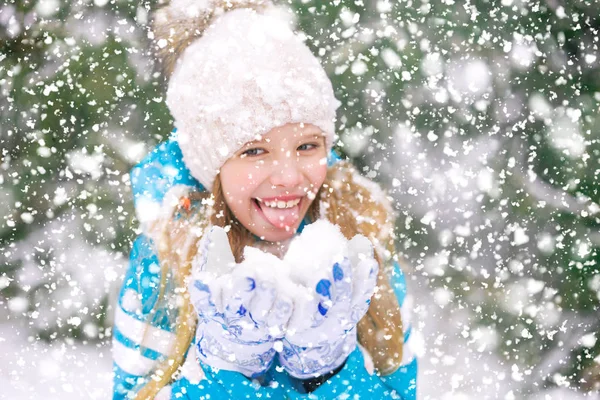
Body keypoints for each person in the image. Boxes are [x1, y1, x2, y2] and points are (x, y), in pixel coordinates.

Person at [111, 1, 418, 399]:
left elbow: (402, 389)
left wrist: (331, 370)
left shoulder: (360, 243)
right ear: (211, 167)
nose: (290, 176)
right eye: (254, 151)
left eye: (308, 145)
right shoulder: (166, 262)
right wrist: (225, 369)